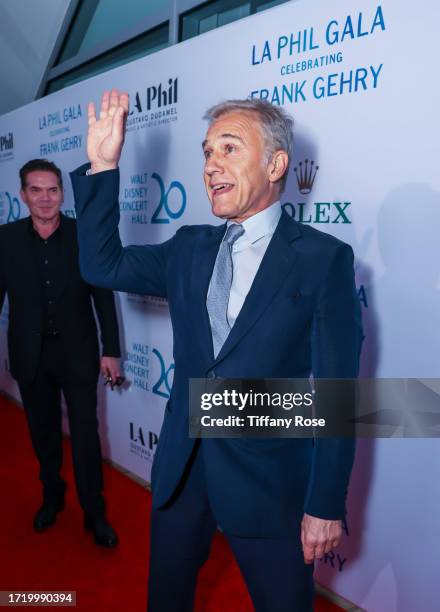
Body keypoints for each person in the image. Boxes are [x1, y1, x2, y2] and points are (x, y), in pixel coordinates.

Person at [70, 89, 362, 610]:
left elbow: (339, 395)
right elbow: (101, 268)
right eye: (206, 152)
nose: (211, 165)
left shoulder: (323, 259)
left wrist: (324, 504)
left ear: (276, 164)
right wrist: (102, 165)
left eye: (229, 148)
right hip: (184, 467)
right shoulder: (188, 247)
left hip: (270, 481)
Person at [0, 159, 122, 548]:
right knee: (44, 435)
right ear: (23, 195)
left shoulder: (83, 234)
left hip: (79, 353)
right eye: (36, 190)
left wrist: (112, 349)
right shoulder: (5, 239)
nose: (45, 197)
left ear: (62, 193)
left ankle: (94, 513)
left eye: (52, 189)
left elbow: (103, 294)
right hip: (30, 355)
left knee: (86, 435)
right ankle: (52, 498)